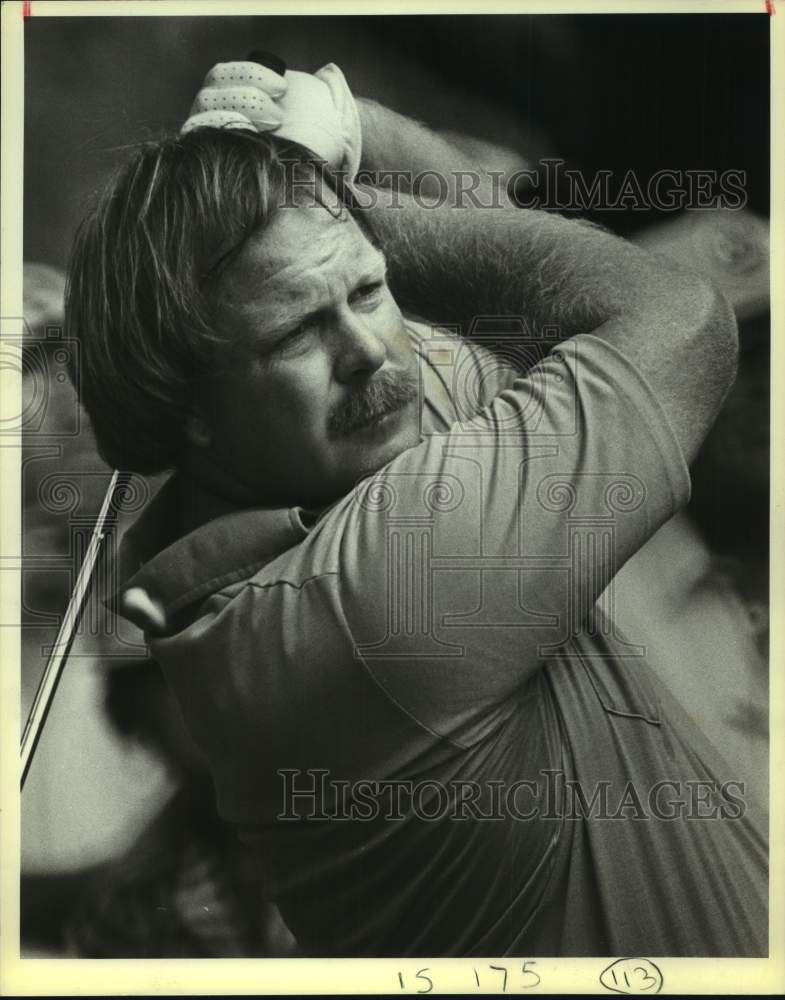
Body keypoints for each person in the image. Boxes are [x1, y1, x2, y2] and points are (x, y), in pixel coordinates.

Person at [64, 59, 767, 957]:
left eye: (366, 292)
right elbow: (679, 318)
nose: (365, 350)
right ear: (188, 410)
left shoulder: (327, 441)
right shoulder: (371, 600)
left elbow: (532, 282)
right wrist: (339, 202)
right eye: (294, 330)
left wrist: (352, 139)